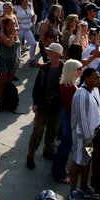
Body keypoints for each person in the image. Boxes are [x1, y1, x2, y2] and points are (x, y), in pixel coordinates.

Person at [67, 67, 100, 200]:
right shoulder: (81, 95)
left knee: (86, 161)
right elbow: (82, 119)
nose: (98, 80)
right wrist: (88, 139)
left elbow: (98, 112)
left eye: (99, 77)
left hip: (93, 135)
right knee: (77, 161)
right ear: (87, 78)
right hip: (82, 136)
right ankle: (72, 189)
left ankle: (83, 186)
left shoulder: (95, 90)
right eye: (95, 77)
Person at [28, 42, 65, 170]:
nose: (47, 53)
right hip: (43, 107)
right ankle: (30, 155)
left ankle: (49, 151)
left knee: (52, 132)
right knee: (37, 132)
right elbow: (37, 87)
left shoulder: (64, 68)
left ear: (56, 54)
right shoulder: (44, 68)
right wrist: (35, 103)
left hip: (56, 108)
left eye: (50, 51)